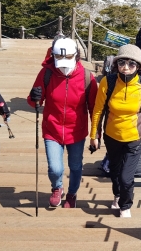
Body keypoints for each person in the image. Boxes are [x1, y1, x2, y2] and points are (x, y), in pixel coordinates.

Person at [27, 38, 98, 208]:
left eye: (68, 57)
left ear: (76, 56)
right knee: (55, 168)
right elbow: (34, 102)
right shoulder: (47, 73)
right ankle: (57, 188)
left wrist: (96, 135)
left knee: (75, 166)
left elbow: (94, 109)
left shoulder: (87, 77)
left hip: (77, 131)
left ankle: (72, 193)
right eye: (59, 57)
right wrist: (34, 97)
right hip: (52, 129)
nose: (64, 63)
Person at [90, 44, 141, 218]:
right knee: (115, 171)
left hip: (134, 138)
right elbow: (98, 110)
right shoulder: (108, 81)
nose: (126, 68)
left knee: (126, 177)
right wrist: (93, 136)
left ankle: (125, 205)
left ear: (138, 66)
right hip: (111, 136)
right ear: (116, 64)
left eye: (131, 64)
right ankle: (117, 196)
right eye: (122, 63)